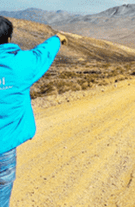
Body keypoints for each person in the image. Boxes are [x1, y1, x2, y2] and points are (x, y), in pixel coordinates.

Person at [0, 16, 67, 206]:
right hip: (3, 151)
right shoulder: (22, 64)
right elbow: (42, 53)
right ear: (9, 39)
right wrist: (57, 38)